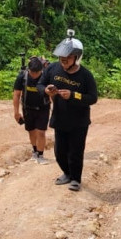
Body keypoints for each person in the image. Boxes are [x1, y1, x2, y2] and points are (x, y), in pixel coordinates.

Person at [38, 30, 98, 191]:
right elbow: (40, 84)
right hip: (60, 117)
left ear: (77, 57)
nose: (63, 62)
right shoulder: (52, 69)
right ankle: (67, 173)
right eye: (61, 59)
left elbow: (93, 98)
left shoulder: (86, 76)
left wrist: (73, 95)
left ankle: (76, 179)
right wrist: (46, 90)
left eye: (67, 59)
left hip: (79, 121)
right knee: (59, 152)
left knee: (76, 152)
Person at [13, 56, 51, 164]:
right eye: (32, 72)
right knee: (31, 131)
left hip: (43, 107)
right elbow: (16, 94)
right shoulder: (22, 76)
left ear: (41, 70)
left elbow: (52, 93)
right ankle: (34, 151)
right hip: (28, 108)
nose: (34, 75)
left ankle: (41, 154)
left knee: (41, 132)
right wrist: (16, 112)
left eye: (37, 73)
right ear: (28, 70)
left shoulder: (46, 77)